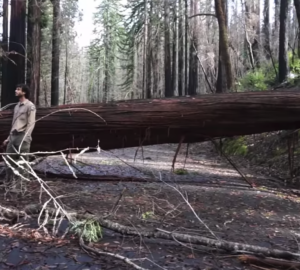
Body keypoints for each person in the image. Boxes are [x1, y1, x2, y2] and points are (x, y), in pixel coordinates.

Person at [2, 84, 36, 192]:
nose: (15, 91)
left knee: (22, 163)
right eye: (16, 89)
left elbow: (31, 123)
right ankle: (8, 185)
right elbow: (14, 124)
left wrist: (26, 137)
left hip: (23, 137)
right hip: (13, 137)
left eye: (18, 89)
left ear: (24, 92)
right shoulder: (17, 106)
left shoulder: (30, 106)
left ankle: (21, 187)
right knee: (9, 162)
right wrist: (8, 138)